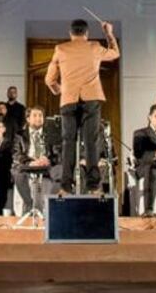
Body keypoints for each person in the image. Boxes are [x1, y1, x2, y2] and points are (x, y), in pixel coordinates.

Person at [45, 18, 119, 196]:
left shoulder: (61, 49)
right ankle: (94, 187)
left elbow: (49, 79)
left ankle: (65, 187)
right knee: (91, 143)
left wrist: (58, 90)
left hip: (68, 100)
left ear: (71, 34)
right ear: (86, 34)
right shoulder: (94, 47)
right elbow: (115, 53)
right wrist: (108, 32)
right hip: (91, 100)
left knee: (68, 143)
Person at [11, 106, 60, 215]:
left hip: (46, 165)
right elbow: (17, 154)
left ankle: (51, 204)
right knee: (17, 172)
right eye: (35, 115)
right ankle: (29, 204)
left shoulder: (51, 134)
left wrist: (47, 159)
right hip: (28, 164)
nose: (38, 118)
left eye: (40, 116)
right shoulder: (19, 135)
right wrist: (30, 162)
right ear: (28, 119)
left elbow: (57, 154)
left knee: (61, 171)